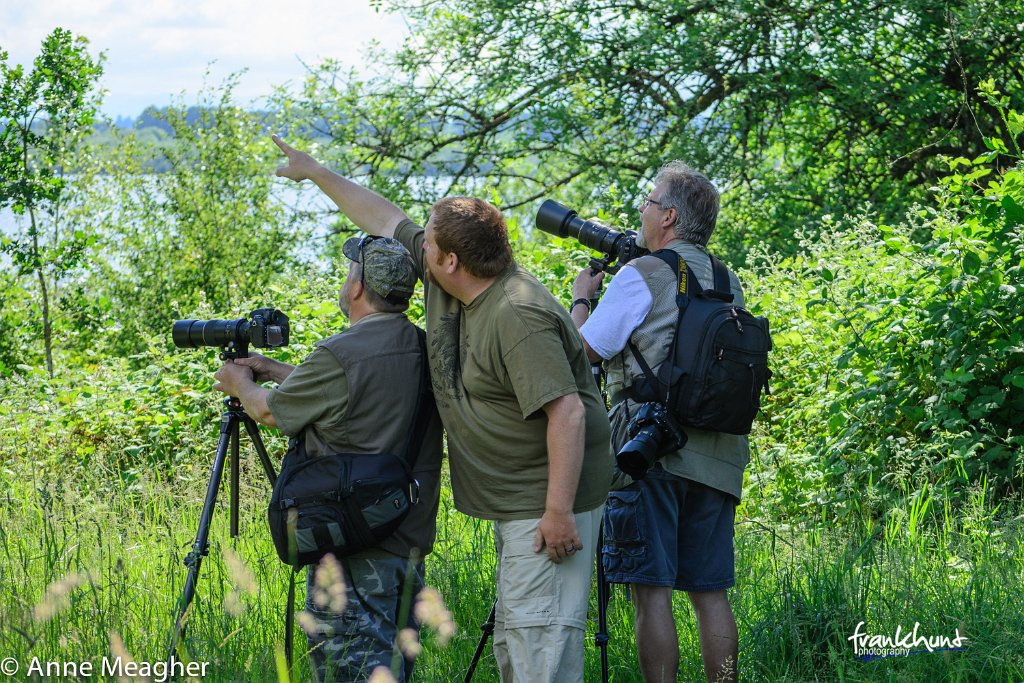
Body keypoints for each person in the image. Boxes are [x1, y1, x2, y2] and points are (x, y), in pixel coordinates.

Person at [271, 134, 612, 683]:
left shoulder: (517, 314)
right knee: (518, 642)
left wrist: (557, 513)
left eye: (425, 244)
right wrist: (315, 172)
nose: (416, 248)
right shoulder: (449, 278)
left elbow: (568, 413)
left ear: (451, 258)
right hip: (519, 499)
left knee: (540, 645)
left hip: (548, 499)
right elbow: (385, 218)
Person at [212, 235, 443, 683]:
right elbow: (365, 389)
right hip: (404, 542)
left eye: (348, 272)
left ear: (357, 286)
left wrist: (237, 381)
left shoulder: (340, 352)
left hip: (353, 553)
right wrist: (275, 370)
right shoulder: (423, 346)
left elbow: (266, 410)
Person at [570, 162, 748, 683]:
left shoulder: (642, 275)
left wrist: (583, 297)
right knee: (709, 593)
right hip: (717, 453)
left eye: (649, 204)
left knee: (652, 591)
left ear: (668, 216)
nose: (642, 212)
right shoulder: (727, 279)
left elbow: (584, 354)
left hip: (648, 452)